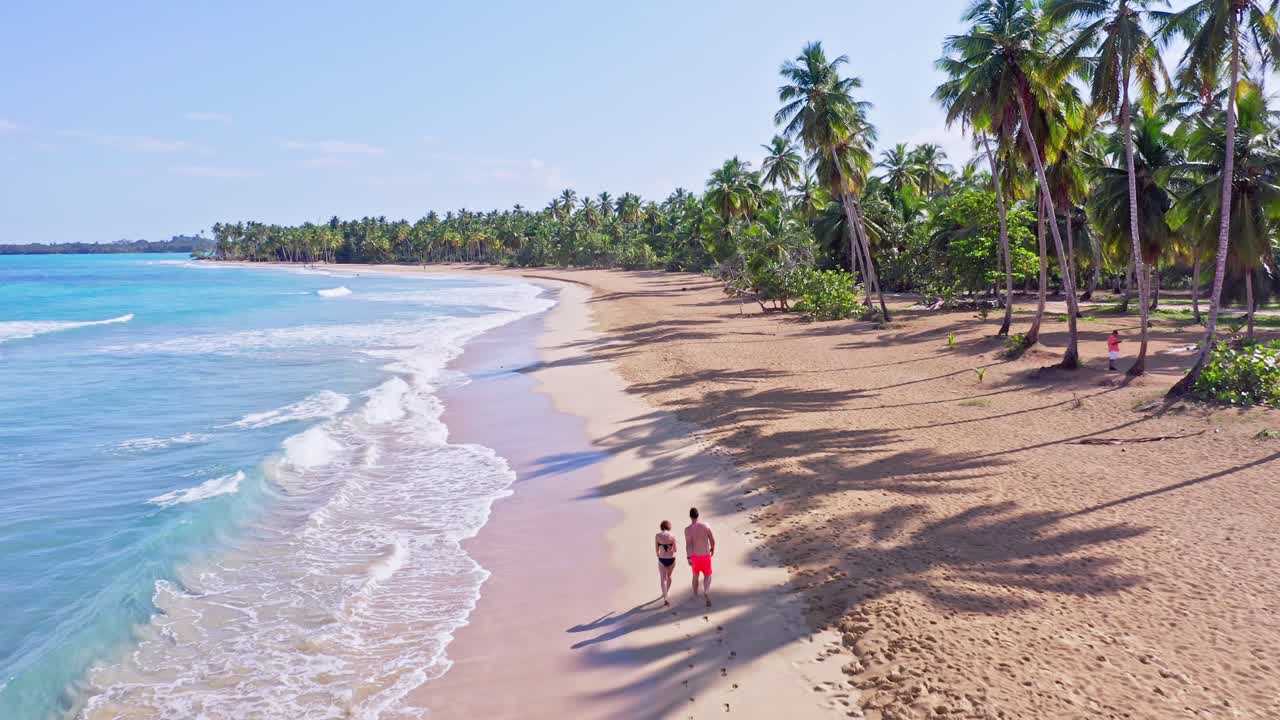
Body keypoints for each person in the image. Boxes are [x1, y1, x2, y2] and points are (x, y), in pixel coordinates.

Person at [684, 507, 716, 607]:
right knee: (707, 575)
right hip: (705, 555)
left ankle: (695, 595)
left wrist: (689, 557)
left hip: (695, 557)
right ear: (698, 515)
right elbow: (712, 540)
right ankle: (706, 591)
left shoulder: (687, 530)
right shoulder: (706, 526)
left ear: (690, 516)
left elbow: (688, 545)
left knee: (695, 576)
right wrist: (712, 549)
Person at [655, 520, 678, 607]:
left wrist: (659, 555)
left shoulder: (657, 536)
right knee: (669, 576)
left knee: (663, 579)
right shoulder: (672, 535)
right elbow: (675, 550)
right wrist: (669, 548)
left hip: (662, 559)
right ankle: (666, 592)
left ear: (661, 527)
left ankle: (665, 597)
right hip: (671, 560)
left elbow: (656, 550)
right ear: (669, 527)